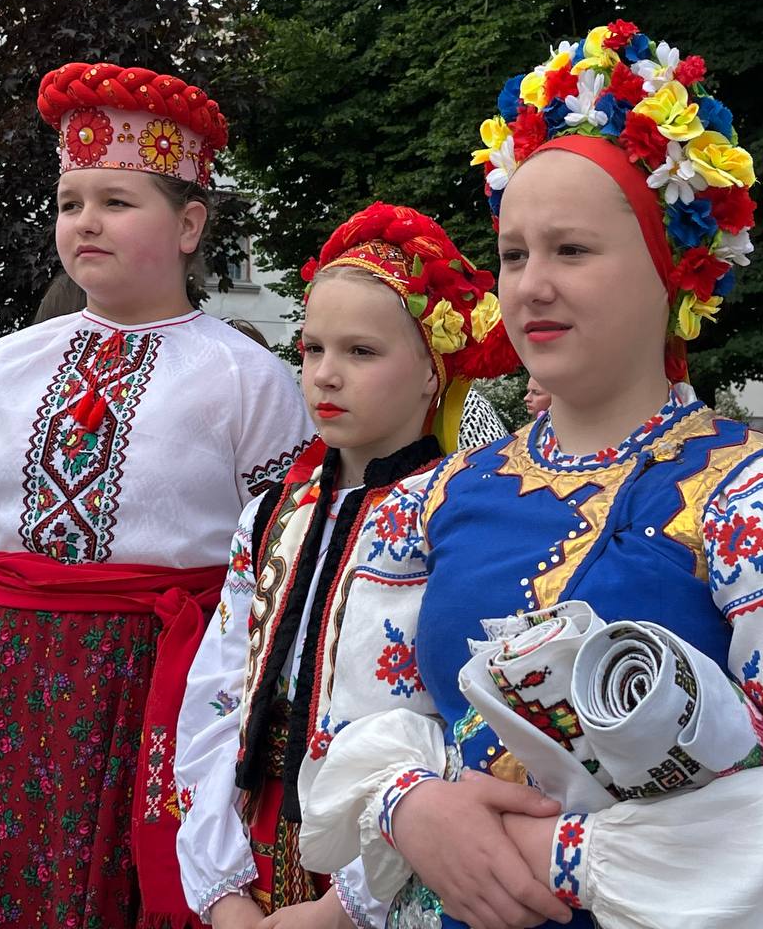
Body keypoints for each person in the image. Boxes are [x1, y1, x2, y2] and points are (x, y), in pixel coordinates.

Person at [297, 18, 763, 929]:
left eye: (572, 251)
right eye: (514, 254)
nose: (531, 285)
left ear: (670, 270)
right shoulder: (426, 505)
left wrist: (556, 855)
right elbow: (356, 723)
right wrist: (411, 807)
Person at [0, 61, 314, 929]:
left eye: (117, 201)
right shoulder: (1, 370)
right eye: (71, 201)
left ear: (189, 224)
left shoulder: (251, 380)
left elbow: (286, 585)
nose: (86, 221)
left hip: (176, 715)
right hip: (8, 709)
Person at [176, 202, 518, 929]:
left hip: (390, 860)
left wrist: (346, 906)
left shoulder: (454, 517)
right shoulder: (272, 513)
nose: (327, 375)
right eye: (312, 350)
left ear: (433, 371)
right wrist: (220, 884)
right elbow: (216, 693)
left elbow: (463, 720)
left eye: (362, 353)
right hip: (256, 836)